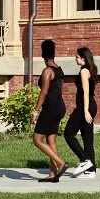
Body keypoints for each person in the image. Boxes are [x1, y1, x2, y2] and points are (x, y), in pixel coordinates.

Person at [32, 38, 68, 182]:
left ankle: (61, 163)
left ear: (42, 54)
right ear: (53, 53)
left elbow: (44, 93)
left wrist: (35, 111)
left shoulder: (47, 71)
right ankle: (53, 174)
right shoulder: (59, 70)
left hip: (50, 108)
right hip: (60, 107)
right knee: (51, 140)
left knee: (37, 139)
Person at [64, 46, 98, 177]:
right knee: (87, 138)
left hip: (86, 106)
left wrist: (85, 111)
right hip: (91, 105)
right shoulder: (92, 69)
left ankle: (85, 161)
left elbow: (86, 91)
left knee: (69, 133)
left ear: (83, 58)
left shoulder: (84, 71)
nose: (75, 58)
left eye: (77, 57)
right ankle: (91, 170)